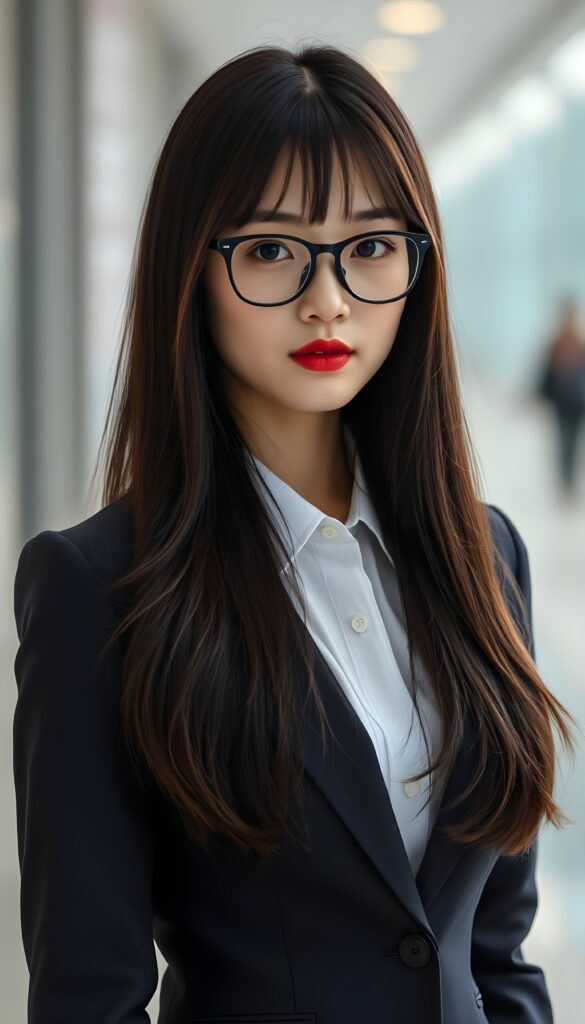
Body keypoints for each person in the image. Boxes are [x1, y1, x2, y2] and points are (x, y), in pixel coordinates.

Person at [12, 42, 577, 1024]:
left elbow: (497, 954)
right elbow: (88, 999)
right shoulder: (99, 587)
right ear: (192, 265)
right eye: (272, 248)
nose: (328, 297)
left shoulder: (487, 555)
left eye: (369, 247)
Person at [537, 298, 585, 496]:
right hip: (561, 403)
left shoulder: (579, 343)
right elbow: (545, 373)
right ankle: (564, 480)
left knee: (573, 442)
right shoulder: (557, 343)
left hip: (578, 403)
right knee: (562, 440)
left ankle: (569, 480)